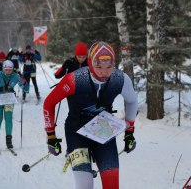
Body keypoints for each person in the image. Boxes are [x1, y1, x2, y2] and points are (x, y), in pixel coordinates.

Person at [43, 41, 138, 189]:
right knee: (85, 185)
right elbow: (49, 103)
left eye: (109, 67)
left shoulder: (120, 79)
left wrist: (129, 132)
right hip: (76, 131)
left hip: (104, 130)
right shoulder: (75, 79)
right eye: (99, 67)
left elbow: (132, 101)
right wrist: (51, 136)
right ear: (90, 63)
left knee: (112, 185)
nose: (104, 73)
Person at [0, 60, 29, 150]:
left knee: (8, 118)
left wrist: (24, 83)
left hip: (9, 98)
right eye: (6, 70)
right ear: (3, 69)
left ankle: (9, 141)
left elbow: (26, 89)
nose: (8, 72)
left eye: (10, 70)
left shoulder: (16, 76)